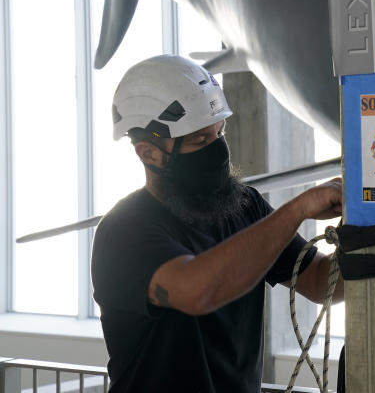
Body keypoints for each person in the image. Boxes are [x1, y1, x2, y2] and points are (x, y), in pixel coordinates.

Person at [91, 55, 344, 392]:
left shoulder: (244, 206)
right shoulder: (124, 231)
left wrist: (365, 228)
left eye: (219, 133)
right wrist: (298, 209)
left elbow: (319, 281)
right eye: (199, 141)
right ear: (148, 153)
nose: (219, 151)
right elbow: (197, 291)